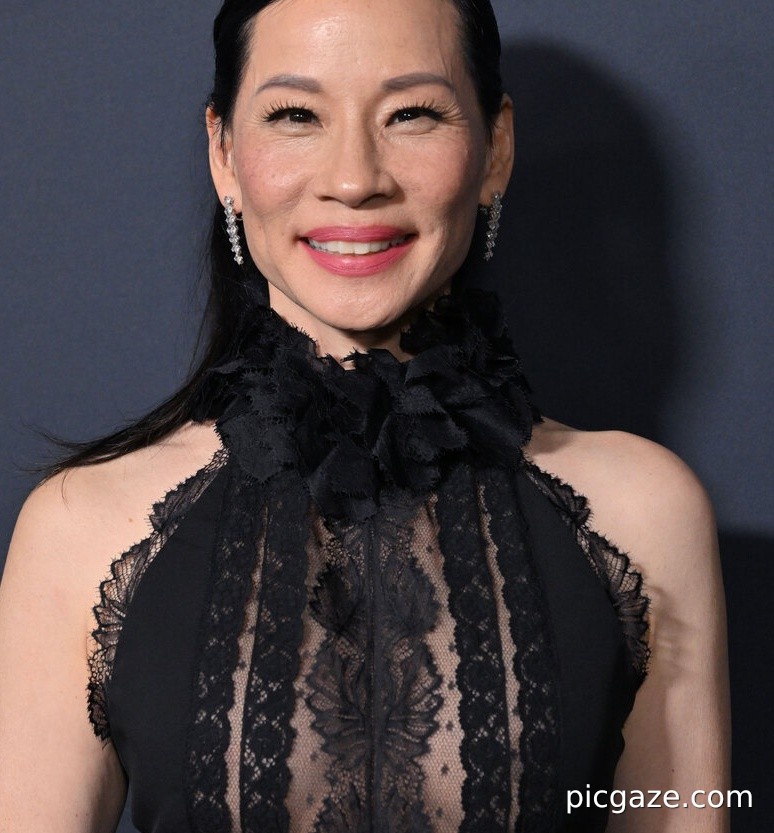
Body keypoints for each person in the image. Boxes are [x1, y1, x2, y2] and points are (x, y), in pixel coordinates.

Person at [0, 0, 729, 831]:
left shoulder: (644, 511)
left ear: (495, 148)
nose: (354, 178)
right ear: (224, 154)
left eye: (411, 114)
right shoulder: (82, 528)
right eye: (295, 115)